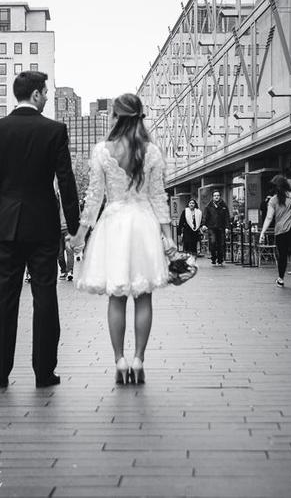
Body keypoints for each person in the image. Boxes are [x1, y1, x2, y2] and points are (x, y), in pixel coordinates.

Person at [0, 71, 79, 389]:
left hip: (7, 226)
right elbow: (66, 181)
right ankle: (44, 372)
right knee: (45, 296)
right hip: (43, 226)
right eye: (46, 92)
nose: (48, 96)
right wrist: (74, 227)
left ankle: (0, 372)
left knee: (4, 297)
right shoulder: (54, 130)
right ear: (36, 94)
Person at [70, 93, 172, 386]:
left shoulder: (102, 150)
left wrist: (80, 234)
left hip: (113, 225)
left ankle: (120, 360)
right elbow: (158, 197)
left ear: (115, 116)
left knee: (116, 297)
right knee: (143, 296)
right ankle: (139, 359)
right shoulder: (151, 151)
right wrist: (167, 237)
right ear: (139, 117)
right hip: (143, 225)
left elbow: (94, 197)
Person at [259, 174, 291, 290]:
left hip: (280, 231)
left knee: (282, 255)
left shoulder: (273, 200)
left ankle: (281, 278)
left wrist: (262, 232)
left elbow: (269, 217)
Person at [201, 190, 231, 267]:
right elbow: (205, 216)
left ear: (220, 196)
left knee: (221, 244)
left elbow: (227, 217)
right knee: (213, 242)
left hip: (221, 227)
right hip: (212, 228)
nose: (216, 197)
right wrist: (204, 224)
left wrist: (227, 227)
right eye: (215, 195)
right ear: (213, 197)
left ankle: (220, 259)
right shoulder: (208, 206)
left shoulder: (224, 206)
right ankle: (213, 258)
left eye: (218, 195)